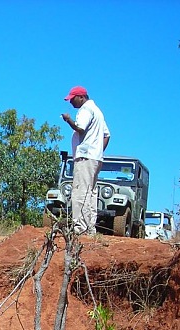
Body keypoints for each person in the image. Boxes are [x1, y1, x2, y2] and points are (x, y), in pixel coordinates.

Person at [61, 85, 110, 236]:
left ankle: (80, 229)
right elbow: (107, 135)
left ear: (81, 97)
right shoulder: (98, 111)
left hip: (85, 156)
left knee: (80, 192)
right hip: (95, 158)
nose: (71, 103)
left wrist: (68, 120)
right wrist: (98, 151)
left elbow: (80, 128)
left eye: (72, 99)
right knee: (91, 193)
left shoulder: (86, 110)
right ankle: (90, 229)